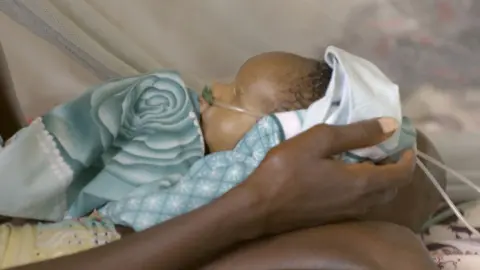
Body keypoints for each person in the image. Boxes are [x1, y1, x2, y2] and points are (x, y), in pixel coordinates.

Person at [10, 118, 438, 270]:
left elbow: (20, 166)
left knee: (412, 159)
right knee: (380, 258)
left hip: (87, 239)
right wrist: (256, 205)